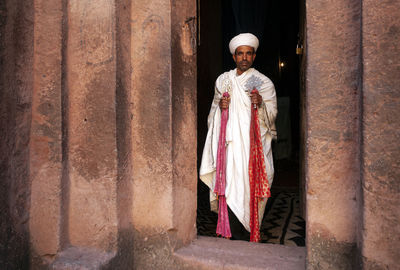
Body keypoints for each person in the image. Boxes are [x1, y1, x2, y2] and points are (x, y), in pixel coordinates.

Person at [199, 33, 277, 241]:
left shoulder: (263, 82)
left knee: (251, 187)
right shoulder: (224, 80)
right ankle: (231, 232)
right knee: (230, 187)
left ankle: (250, 230)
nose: (244, 57)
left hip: (253, 150)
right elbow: (212, 113)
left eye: (248, 53)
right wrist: (221, 110)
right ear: (234, 57)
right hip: (230, 149)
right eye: (240, 54)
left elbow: (272, 117)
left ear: (254, 56)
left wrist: (260, 104)